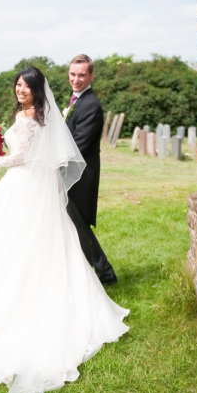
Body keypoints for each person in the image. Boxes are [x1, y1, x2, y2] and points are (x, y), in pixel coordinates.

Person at [0, 66, 129, 393]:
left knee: (18, 242)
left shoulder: (32, 118)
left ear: (36, 90)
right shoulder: (29, 114)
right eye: (17, 85)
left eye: (26, 86)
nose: (20, 90)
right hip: (25, 185)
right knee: (10, 242)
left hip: (25, 185)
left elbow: (22, 155)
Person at [64, 54, 118, 285]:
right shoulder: (77, 99)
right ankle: (82, 271)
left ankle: (105, 273)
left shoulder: (91, 105)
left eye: (82, 75)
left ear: (91, 75)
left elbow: (77, 146)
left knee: (78, 225)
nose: (76, 79)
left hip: (79, 176)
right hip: (70, 172)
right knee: (72, 224)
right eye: (73, 74)